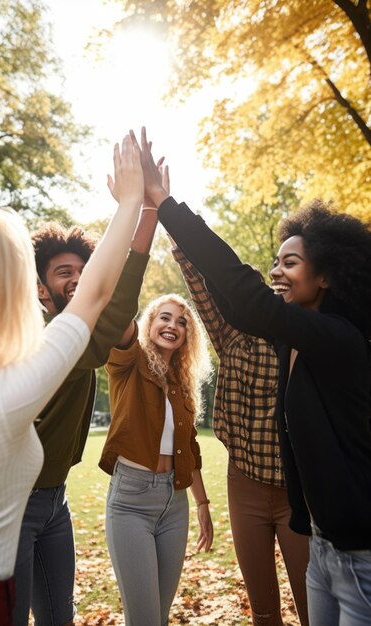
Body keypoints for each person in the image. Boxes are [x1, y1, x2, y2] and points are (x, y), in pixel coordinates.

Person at [137, 126, 371, 626]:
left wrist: (170, 205)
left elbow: (246, 296)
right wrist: (165, 219)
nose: (277, 272)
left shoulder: (339, 339)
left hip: (358, 551)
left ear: (326, 274)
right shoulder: (293, 343)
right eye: (276, 262)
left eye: (291, 262)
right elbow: (230, 299)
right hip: (326, 543)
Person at [0, 134, 144, 626]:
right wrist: (132, 202)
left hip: (49, 507)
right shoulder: (7, 390)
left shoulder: (1, 375)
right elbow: (100, 294)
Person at [13, 216, 151, 626]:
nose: (77, 278)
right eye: (64, 272)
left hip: (55, 501)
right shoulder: (48, 339)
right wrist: (144, 215)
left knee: (60, 617)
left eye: (84, 271)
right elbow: (119, 304)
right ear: (41, 289)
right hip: (15, 505)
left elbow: (118, 312)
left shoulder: (81, 333)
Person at [171, 243, 309, 625]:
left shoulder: (301, 341)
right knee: (262, 605)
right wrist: (181, 243)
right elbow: (201, 287)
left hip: (294, 490)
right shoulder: (232, 338)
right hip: (244, 485)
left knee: (312, 598)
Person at [99, 291, 214, 626]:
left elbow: (189, 449)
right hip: (131, 502)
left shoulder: (181, 383)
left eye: (181, 322)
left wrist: (203, 504)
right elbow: (119, 316)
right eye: (164, 317)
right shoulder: (128, 361)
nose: (172, 325)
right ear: (149, 322)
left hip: (175, 504)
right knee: (145, 618)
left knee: (159, 617)